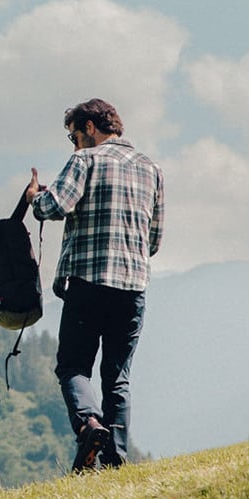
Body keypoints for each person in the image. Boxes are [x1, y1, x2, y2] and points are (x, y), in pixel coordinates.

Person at [24, 98, 164, 473]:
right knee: (117, 376)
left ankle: (89, 424)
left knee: (73, 366)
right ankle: (116, 458)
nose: (73, 144)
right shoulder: (151, 169)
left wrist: (34, 197)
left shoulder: (86, 160)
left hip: (88, 282)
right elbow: (154, 239)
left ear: (90, 127)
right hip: (133, 287)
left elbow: (54, 207)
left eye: (74, 136)